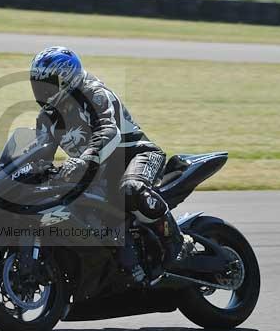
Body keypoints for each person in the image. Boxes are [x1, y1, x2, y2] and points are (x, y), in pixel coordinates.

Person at [29, 46, 193, 285]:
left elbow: (108, 131)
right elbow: (40, 155)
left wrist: (85, 160)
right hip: (97, 171)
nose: (42, 91)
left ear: (68, 78)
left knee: (131, 189)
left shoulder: (94, 95)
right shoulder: (46, 118)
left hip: (136, 155)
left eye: (49, 84)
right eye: (38, 84)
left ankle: (177, 244)